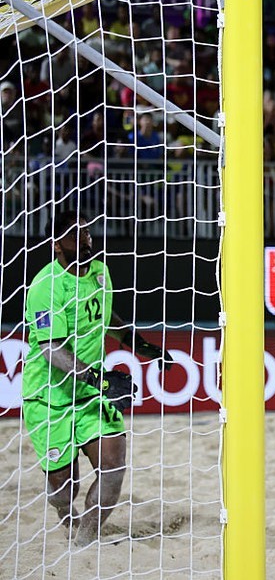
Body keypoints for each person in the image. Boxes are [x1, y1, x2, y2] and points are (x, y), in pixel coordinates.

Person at [22, 210, 174, 547]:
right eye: (76, 234)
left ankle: (84, 543)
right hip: (49, 397)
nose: (87, 239)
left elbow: (107, 318)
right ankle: (65, 513)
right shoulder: (45, 287)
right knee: (65, 489)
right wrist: (98, 378)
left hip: (91, 394)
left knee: (113, 465)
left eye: (88, 232)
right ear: (57, 244)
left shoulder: (101, 273)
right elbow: (50, 348)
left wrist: (144, 346)